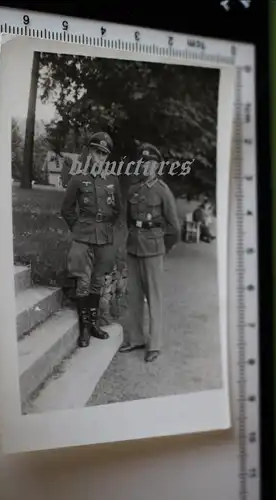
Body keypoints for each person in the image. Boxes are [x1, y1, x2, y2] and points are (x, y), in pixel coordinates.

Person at [119, 143, 181, 363]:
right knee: (133, 297)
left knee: (154, 298)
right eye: (143, 162)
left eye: (150, 163)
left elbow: (174, 228)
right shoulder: (133, 190)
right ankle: (135, 338)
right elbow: (128, 220)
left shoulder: (163, 192)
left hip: (154, 250)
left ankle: (154, 344)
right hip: (133, 248)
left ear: (157, 166)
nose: (146, 166)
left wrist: (163, 249)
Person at [61, 132, 122, 348]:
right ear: (90, 152)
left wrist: (105, 226)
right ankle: (84, 328)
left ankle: (94, 324)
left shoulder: (112, 180)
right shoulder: (78, 178)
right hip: (84, 235)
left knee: (98, 280)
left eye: (104, 154)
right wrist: (78, 228)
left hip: (104, 237)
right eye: (97, 152)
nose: (100, 157)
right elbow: (67, 208)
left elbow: (117, 210)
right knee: (83, 280)